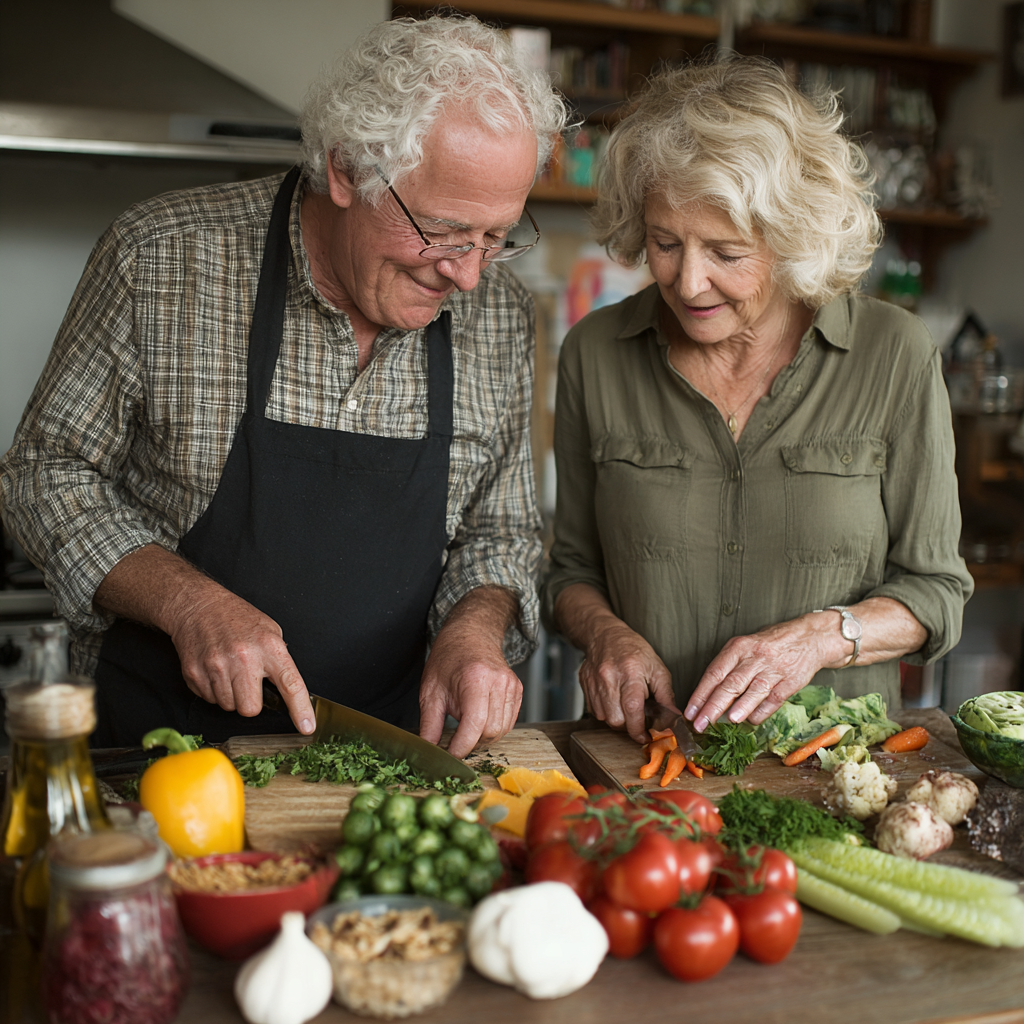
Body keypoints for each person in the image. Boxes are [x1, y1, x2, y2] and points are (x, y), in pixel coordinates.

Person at [0, 15, 567, 755]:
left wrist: (473, 629)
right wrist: (187, 603)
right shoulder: (163, 259)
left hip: (382, 763)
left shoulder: (499, 313)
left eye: (496, 237)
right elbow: (42, 475)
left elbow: (502, 530)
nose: (466, 272)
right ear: (344, 170)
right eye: (440, 231)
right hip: (153, 754)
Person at [541, 57, 973, 745]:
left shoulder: (894, 354)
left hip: (831, 768)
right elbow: (571, 569)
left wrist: (818, 639)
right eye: (664, 243)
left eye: (726, 252)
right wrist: (604, 634)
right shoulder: (597, 352)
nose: (688, 282)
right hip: (645, 759)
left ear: (792, 237)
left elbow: (935, 591)